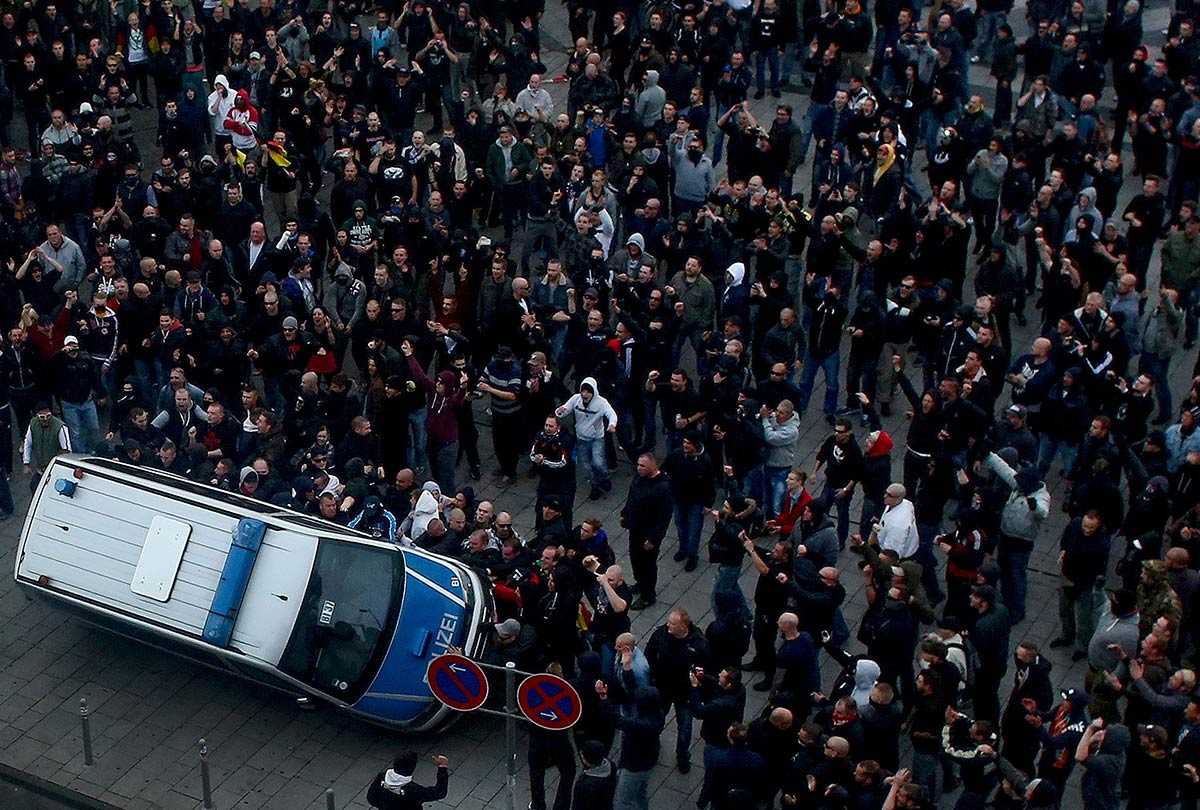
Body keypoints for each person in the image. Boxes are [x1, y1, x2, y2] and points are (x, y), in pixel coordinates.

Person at [621, 453, 673, 608]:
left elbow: (664, 517)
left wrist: (653, 538)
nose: (639, 468)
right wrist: (625, 514)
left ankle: (648, 595)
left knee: (648, 565)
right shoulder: (639, 478)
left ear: (653, 465)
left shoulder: (663, 487)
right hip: (635, 528)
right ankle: (640, 583)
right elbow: (632, 497)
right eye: (638, 465)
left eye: (642, 466)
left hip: (649, 533)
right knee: (635, 559)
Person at [365, 751, 449, 810]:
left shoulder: (382, 777)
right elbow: (439, 792)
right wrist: (442, 767)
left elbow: (371, 798)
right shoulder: (413, 790)